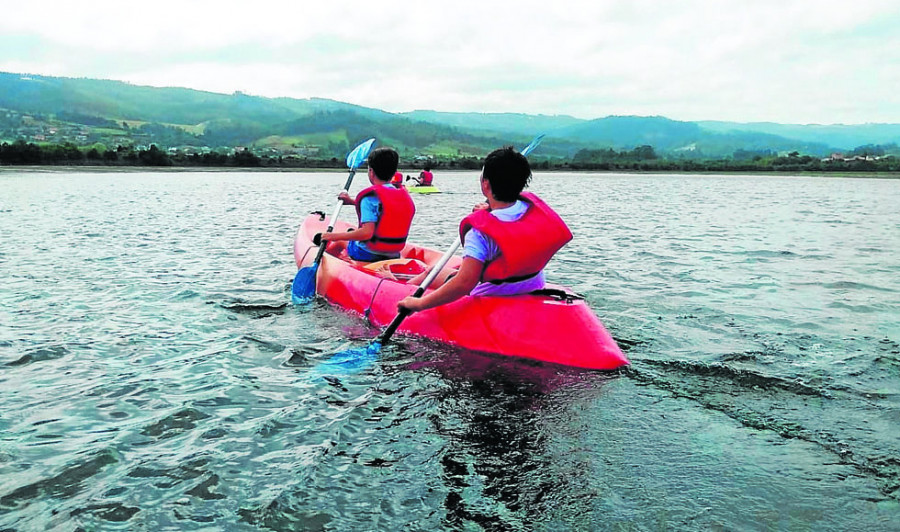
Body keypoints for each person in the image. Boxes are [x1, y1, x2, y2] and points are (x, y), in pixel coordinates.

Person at [398, 146, 571, 313]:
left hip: (494, 293)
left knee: (432, 274)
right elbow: (509, 218)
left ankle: (398, 290)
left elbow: (464, 283)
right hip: (533, 284)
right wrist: (488, 211)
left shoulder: (479, 233)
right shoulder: (530, 209)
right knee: (445, 271)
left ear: (486, 184)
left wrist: (419, 304)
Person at [319, 147, 416, 262]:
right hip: (393, 254)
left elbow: (366, 233)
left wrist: (332, 236)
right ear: (394, 172)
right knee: (351, 233)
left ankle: (325, 266)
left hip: (368, 253)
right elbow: (383, 209)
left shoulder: (369, 198)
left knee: (341, 241)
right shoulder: (401, 194)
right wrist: (351, 202)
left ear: (371, 172)